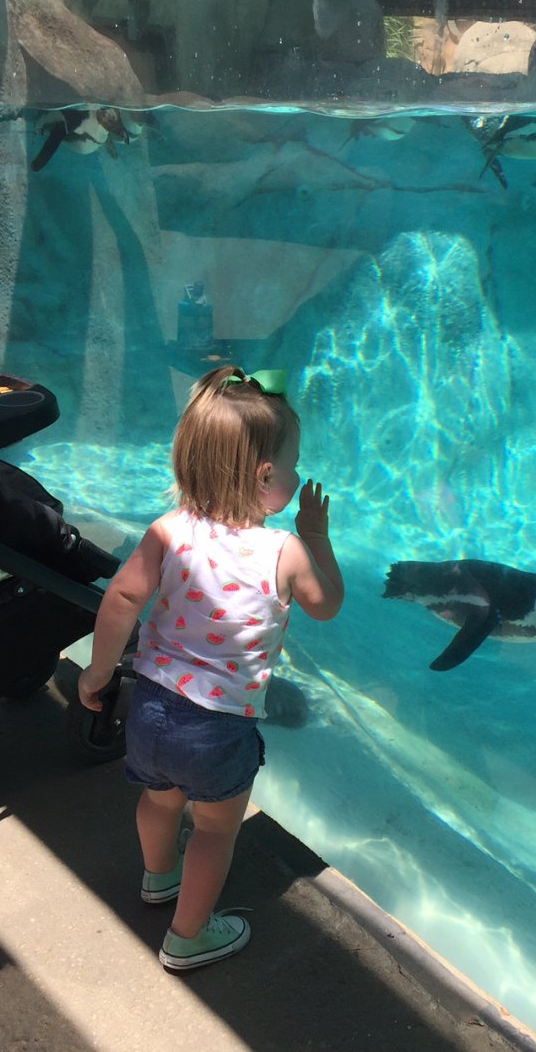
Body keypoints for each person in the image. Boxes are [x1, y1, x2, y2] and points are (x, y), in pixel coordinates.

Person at [78, 366, 343, 972]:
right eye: (294, 462)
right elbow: (327, 607)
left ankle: (156, 878)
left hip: (150, 707)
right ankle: (187, 937)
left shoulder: (169, 531)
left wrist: (97, 672)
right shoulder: (286, 551)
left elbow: (121, 598)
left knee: (159, 802)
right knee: (216, 832)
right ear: (266, 477)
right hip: (218, 727)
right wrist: (317, 535)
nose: (298, 473)